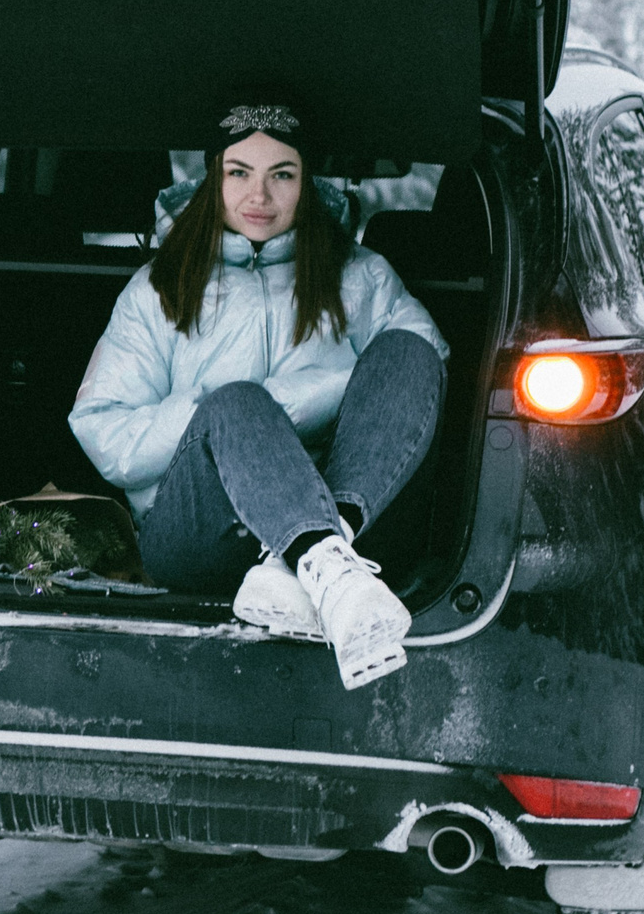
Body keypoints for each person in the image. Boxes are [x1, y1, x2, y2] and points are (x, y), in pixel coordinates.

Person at [68, 98, 448, 689]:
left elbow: (420, 374)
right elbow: (104, 429)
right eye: (239, 173)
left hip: (349, 506)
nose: (260, 198)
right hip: (199, 531)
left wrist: (281, 436)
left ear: (307, 182)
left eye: (283, 175)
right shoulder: (159, 287)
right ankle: (322, 557)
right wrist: (233, 418)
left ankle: (320, 559)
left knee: (406, 351)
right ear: (212, 178)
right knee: (236, 403)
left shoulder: (361, 275)